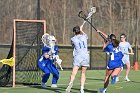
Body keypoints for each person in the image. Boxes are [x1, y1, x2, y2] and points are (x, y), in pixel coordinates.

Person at [66, 25, 89, 93]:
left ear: (74, 32)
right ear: (79, 31)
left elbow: (72, 45)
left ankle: (71, 82)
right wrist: (81, 30)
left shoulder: (73, 39)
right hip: (85, 56)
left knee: (74, 72)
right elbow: (84, 35)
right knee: (83, 72)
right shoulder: (84, 36)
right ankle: (82, 89)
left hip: (78, 56)